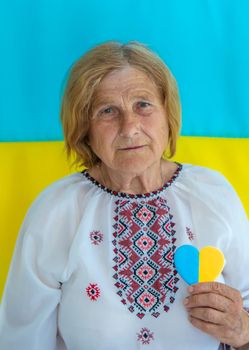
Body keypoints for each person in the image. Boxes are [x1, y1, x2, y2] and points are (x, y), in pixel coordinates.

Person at [0, 41, 249, 350]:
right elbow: (21, 340)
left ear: (167, 114)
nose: (130, 127)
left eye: (143, 105)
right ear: (84, 129)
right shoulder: (56, 210)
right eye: (107, 111)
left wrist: (242, 332)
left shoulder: (213, 193)